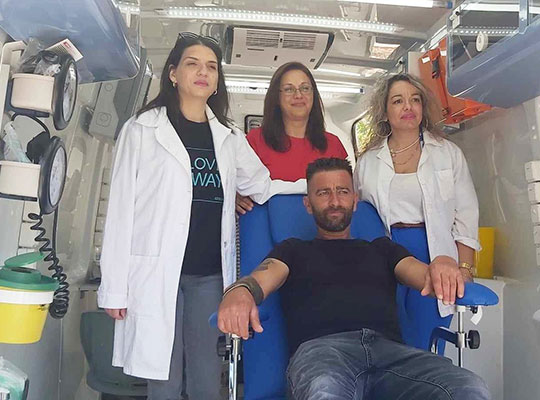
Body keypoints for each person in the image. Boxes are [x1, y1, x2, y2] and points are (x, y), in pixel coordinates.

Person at [97, 32, 304, 399]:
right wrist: (114, 288)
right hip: (157, 271)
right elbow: (120, 210)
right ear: (173, 73)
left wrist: (312, 185)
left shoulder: (229, 136)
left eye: (211, 67)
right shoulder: (142, 129)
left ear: (217, 80)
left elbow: (262, 185)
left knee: (207, 376)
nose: (203, 72)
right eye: (192, 64)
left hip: (209, 274)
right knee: (163, 377)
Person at [217, 158, 490, 400]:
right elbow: (261, 278)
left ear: (355, 200)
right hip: (324, 355)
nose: (335, 201)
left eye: (343, 191)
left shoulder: (383, 248)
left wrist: (442, 263)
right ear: (308, 204)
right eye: (323, 193)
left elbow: (424, 275)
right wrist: (241, 291)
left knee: (468, 387)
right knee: (325, 391)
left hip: (392, 357)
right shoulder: (292, 250)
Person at [354, 73, 480, 349]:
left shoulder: (448, 153)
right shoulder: (367, 162)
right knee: (387, 340)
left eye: (415, 100)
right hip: (385, 258)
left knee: (426, 345)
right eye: (398, 101)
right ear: (384, 112)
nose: (408, 107)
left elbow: (467, 216)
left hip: (436, 259)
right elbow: (360, 218)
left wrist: (465, 269)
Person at [235, 61, 347, 214]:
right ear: (276, 97)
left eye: (305, 88)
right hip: (270, 225)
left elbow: (345, 194)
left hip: (322, 227)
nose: (298, 95)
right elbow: (237, 185)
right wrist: (233, 195)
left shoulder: (333, 143)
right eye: (289, 89)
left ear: (313, 95)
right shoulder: (255, 140)